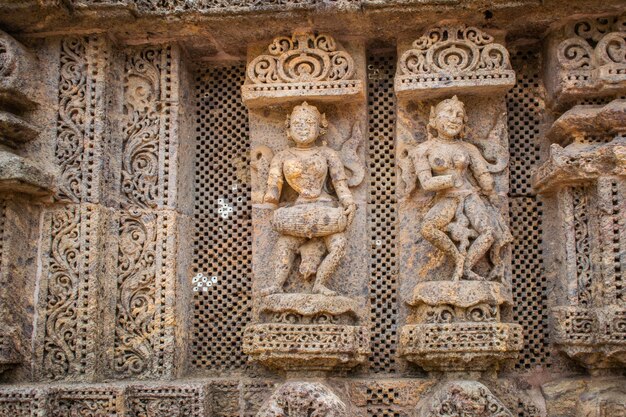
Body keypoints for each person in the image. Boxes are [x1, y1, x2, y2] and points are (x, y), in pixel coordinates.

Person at [410, 96, 511, 281]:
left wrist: (488, 186)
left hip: (470, 196)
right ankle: (457, 257)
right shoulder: (423, 150)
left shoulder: (468, 148)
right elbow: (426, 183)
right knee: (427, 228)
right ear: (434, 120)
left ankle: (466, 267)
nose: (454, 118)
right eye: (448, 113)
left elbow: (483, 177)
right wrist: (452, 178)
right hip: (447, 197)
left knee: (488, 233)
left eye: (459, 115)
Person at [261, 102, 356, 296]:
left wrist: (348, 202)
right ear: (288, 129)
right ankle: (277, 284)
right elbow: (272, 193)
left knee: (338, 245)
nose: (303, 128)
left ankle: (320, 283)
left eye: (309, 123)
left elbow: (340, 184)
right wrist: (269, 205)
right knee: (284, 244)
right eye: (297, 124)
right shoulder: (282, 157)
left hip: (325, 207)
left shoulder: (327, 154)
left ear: (320, 128)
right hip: (298, 209)